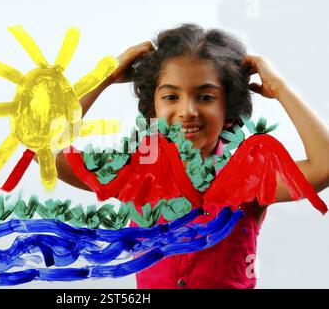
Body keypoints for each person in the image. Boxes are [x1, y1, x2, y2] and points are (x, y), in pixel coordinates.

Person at [51, 23, 329, 288]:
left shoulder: (249, 176)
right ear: (153, 108)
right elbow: (52, 156)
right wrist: (104, 77)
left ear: (229, 108)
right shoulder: (137, 171)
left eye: (206, 97)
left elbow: (323, 166)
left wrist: (281, 88)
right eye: (171, 97)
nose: (188, 111)